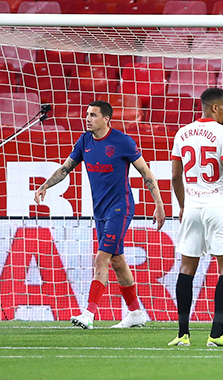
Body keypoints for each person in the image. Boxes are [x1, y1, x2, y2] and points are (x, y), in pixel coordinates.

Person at [34, 100, 166, 329]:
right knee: (117, 260)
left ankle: (89, 313)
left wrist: (159, 203)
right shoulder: (84, 141)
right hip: (100, 211)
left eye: (93, 115)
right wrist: (45, 185)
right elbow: (65, 168)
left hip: (120, 208)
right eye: (87, 114)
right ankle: (135, 313)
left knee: (101, 257)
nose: (87, 118)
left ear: (106, 119)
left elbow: (146, 172)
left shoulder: (122, 141)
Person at [168, 87, 223, 348]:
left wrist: (183, 206)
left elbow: (174, 177)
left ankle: (182, 334)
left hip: (192, 207)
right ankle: (216, 334)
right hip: (218, 207)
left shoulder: (182, 132)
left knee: (186, 268)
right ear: (214, 107)